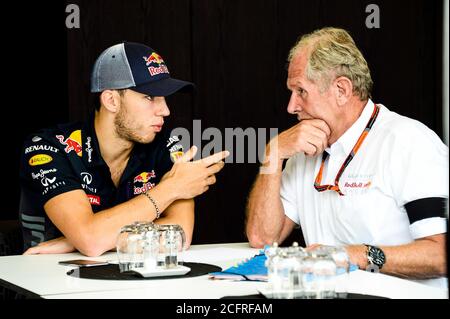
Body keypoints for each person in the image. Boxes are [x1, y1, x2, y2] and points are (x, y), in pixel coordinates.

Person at [246, 27, 448, 286]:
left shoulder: (410, 142)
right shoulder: (303, 149)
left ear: (341, 90)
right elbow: (262, 238)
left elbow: (441, 254)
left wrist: (357, 255)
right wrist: (272, 156)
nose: (291, 106)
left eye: (301, 91)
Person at [20, 42, 229, 256]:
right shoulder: (49, 147)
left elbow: (181, 234)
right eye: (150, 97)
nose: (165, 110)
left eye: (165, 98)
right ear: (111, 100)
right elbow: (91, 240)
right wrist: (171, 188)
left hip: (133, 282)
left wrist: (77, 241)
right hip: (53, 281)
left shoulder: (165, 144)